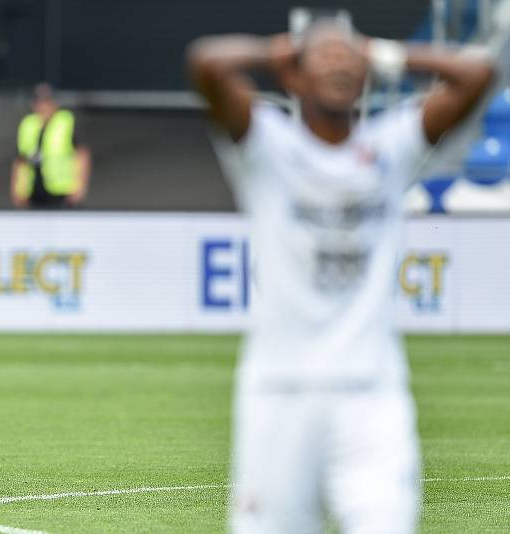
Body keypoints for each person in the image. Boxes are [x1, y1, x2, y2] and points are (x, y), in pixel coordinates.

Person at [187, 19, 493, 534]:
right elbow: (206, 62)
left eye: (349, 57)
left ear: (367, 74)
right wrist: (282, 50)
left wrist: (383, 52)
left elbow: (477, 72)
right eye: (324, 56)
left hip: (371, 394)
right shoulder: (267, 147)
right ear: (295, 78)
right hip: (278, 395)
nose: (338, 62)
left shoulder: (392, 147)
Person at [11, 83, 91, 208]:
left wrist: (79, 186)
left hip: (61, 191)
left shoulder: (65, 121)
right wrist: (16, 190)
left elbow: (81, 155)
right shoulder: (28, 124)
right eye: (39, 102)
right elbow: (20, 160)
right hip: (33, 192)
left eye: (46, 102)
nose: (43, 106)